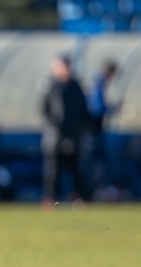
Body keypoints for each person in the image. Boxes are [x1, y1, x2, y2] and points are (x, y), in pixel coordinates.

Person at [40, 55, 88, 206]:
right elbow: (45, 111)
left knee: (76, 168)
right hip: (54, 136)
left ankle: (77, 197)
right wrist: (55, 127)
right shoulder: (50, 86)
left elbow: (83, 110)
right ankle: (50, 198)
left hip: (73, 135)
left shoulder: (76, 87)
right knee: (53, 170)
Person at [84, 60, 119, 200]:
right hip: (92, 130)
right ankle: (94, 192)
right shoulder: (99, 82)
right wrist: (111, 109)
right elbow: (96, 108)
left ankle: (94, 191)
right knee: (95, 163)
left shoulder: (96, 81)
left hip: (91, 130)